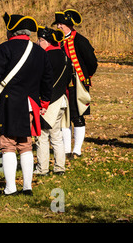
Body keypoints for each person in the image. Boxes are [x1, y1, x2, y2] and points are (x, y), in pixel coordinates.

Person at [0, 13, 53, 196]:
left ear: (11, 31)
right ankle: (27, 187)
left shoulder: (5, 48)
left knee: (7, 144)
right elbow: (47, 79)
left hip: (10, 103)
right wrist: (45, 102)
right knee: (26, 144)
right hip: (30, 104)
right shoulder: (40, 51)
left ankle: (10, 188)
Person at [52, 9, 98, 159]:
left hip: (77, 83)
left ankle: (76, 150)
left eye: (60, 24)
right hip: (61, 84)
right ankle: (65, 149)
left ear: (66, 25)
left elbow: (92, 62)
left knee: (77, 115)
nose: (58, 27)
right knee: (64, 116)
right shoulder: (58, 41)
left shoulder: (80, 41)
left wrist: (85, 76)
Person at [34, 26, 73, 176]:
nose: (38, 43)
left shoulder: (45, 57)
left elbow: (42, 81)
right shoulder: (64, 56)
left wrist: (42, 101)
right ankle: (59, 168)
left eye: (40, 40)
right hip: (62, 99)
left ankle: (42, 169)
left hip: (49, 101)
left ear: (45, 40)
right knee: (56, 135)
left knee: (42, 136)